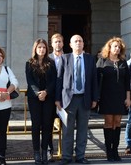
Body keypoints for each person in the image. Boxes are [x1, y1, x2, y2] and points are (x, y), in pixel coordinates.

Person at [55, 35, 99, 165]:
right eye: (76, 41)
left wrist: (95, 98)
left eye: (80, 41)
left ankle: (80, 156)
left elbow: (94, 80)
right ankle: (66, 157)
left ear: (83, 44)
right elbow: (59, 80)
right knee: (67, 130)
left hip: (85, 99)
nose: (78, 43)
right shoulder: (65, 58)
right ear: (70, 44)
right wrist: (57, 99)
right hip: (69, 99)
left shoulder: (90, 59)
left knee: (82, 129)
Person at [97, 37, 131, 162]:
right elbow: (96, 78)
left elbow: (127, 81)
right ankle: (109, 151)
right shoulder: (102, 60)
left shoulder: (123, 62)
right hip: (106, 96)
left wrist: (128, 98)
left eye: (119, 47)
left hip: (120, 96)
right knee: (108, 122)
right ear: (109, 48)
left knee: (117, 122)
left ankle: (115, 150)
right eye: (115, 46)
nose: (117, 48)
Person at [26, 39, 57, 164]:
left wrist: (46, 92)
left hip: (48, 98)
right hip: (34, 98)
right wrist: (38, 93)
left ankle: (45, 152)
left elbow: (54, 80)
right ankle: (36, 153)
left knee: (47, 125)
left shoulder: (51, 63)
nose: (42, 49)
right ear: (35, 48)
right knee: (36, 125)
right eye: (39, 47)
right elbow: (30, 81)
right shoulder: (29, 63)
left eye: (44, 47)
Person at [47, 33, 65, 162]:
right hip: (50, 97)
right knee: (48, 126)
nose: (58, 44)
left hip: (65, 98)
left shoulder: (69, 58)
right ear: (51, 44)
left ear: (63, 43)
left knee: (66, 126)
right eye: (55, 42)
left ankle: (65, 151)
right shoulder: (47, 59)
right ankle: (49, 151)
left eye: (59, 41)